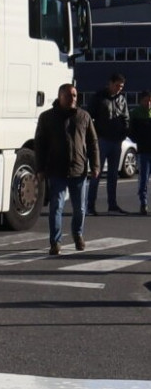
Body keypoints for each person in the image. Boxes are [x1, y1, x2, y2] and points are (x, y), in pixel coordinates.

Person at [35, 84, 100, 255]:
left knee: (80, 208)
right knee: (56, 207)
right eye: (69, 95)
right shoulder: (47, 117)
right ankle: (55, 242)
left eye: (75, 95)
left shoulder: (83, 116)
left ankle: (78, 234)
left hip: (78, 169)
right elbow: (40, 144)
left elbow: (93, 142)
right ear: (60, 96)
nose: (73, 98)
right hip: (56, 170)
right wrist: (40, 169)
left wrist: (95, 165)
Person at [87, 73, 130, 214]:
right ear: (110, 83)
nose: (119, 89)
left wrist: (123, 134)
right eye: (117, 85)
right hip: (102, 140)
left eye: (121, 87)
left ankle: (112, 204)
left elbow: (126, 118)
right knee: (96, 173)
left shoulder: (121, 99)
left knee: (113, 175)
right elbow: (89, 117)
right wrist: (95, 136)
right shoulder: (99, 97)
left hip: (116, 141)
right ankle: (90, 205)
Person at [131, 90, 151, 216]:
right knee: (143, 179)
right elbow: (131, 130)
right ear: (140, 101)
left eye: (150, 101)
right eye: (146, 101)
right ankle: (143, 203)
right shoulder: (136, 113)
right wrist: (138, 140)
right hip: (143, 151)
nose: (148, 103)